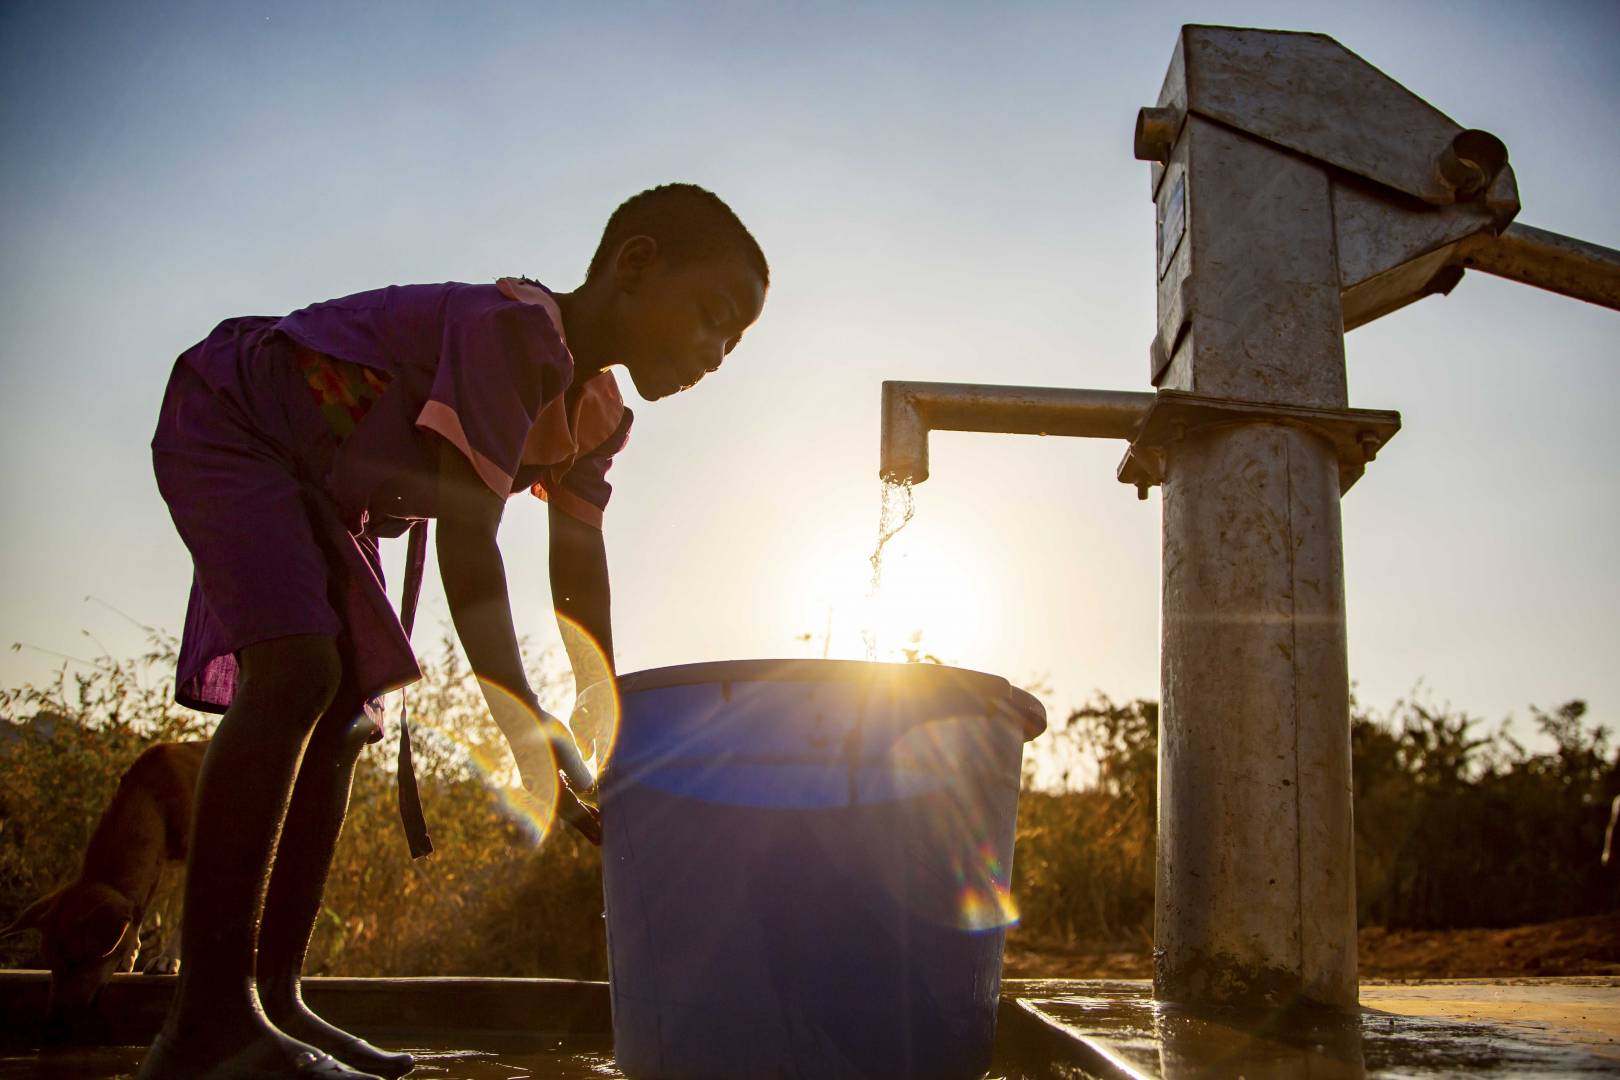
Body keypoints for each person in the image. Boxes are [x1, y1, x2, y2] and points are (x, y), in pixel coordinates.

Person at [138, 183, 769, 1079]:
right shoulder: (514, 333)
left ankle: (273, 1001)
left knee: (344, 717)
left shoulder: (595, 416)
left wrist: (604, 718)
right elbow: (472, 542)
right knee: (297, 673)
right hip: (239, 416)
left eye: (733, 342)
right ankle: (205, 1023)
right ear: (637, 264)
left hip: (327, 486)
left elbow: (577, 567)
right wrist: (520, 723)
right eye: (713, 317)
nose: (716, 352)